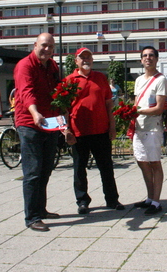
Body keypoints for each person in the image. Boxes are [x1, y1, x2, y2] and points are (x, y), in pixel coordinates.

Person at [64, 47, 124, 215]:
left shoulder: (100, 78)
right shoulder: (69, 80)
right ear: (76, 60)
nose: (86, 60)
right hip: (78, 133)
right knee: (79, 169)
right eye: (82, 58)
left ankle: (112, 199)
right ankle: (83, 201)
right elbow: (64, 108)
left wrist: (112, 127)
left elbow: (108, 105)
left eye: (88, 57)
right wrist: (66, 129)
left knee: (106, 168)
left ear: (92, 60)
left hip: (101, 131)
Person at [13, 33, 62, 232]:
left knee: (46, 168)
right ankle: (32, 217)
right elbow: (26, 92)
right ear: (35, 45)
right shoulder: (25, 65)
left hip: (50, 122)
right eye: (43, 45)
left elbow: (57, 92)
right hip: (30, 123)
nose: (47, 50)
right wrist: (34, 112)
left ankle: (41, 210)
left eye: (50, 47)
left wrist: (62, 118)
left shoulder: (52, 66)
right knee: (33, 172)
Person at [132, 46, 167, 215]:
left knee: (154, 163)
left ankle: (156, 200)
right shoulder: (139, 80)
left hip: (153, 128)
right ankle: (149, 196)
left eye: (151, 55)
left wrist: (137, 111)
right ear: (141, 60)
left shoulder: (160, 80)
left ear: (156, 59)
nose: (148, 58)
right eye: (145, 55)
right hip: (138, 127)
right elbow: (135, 103)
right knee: (142, 162)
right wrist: (129, 116)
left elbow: (160, 107)